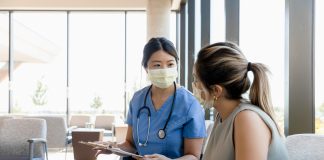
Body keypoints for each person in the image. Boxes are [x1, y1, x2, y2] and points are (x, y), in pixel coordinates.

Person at [96, 37, 206, 160]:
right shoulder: (138, 99)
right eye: (157, 65)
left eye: (170, 64)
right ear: (146, 68)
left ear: (176, 65)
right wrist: (114, 147)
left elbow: (193, 156)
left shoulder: (190, 104)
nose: (164, 70)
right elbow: (131, 145)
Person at [192, 42, 289, 160]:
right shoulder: (222, 116)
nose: (194, 85)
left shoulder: (247, 119)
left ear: (216, 90)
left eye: (196, 79)